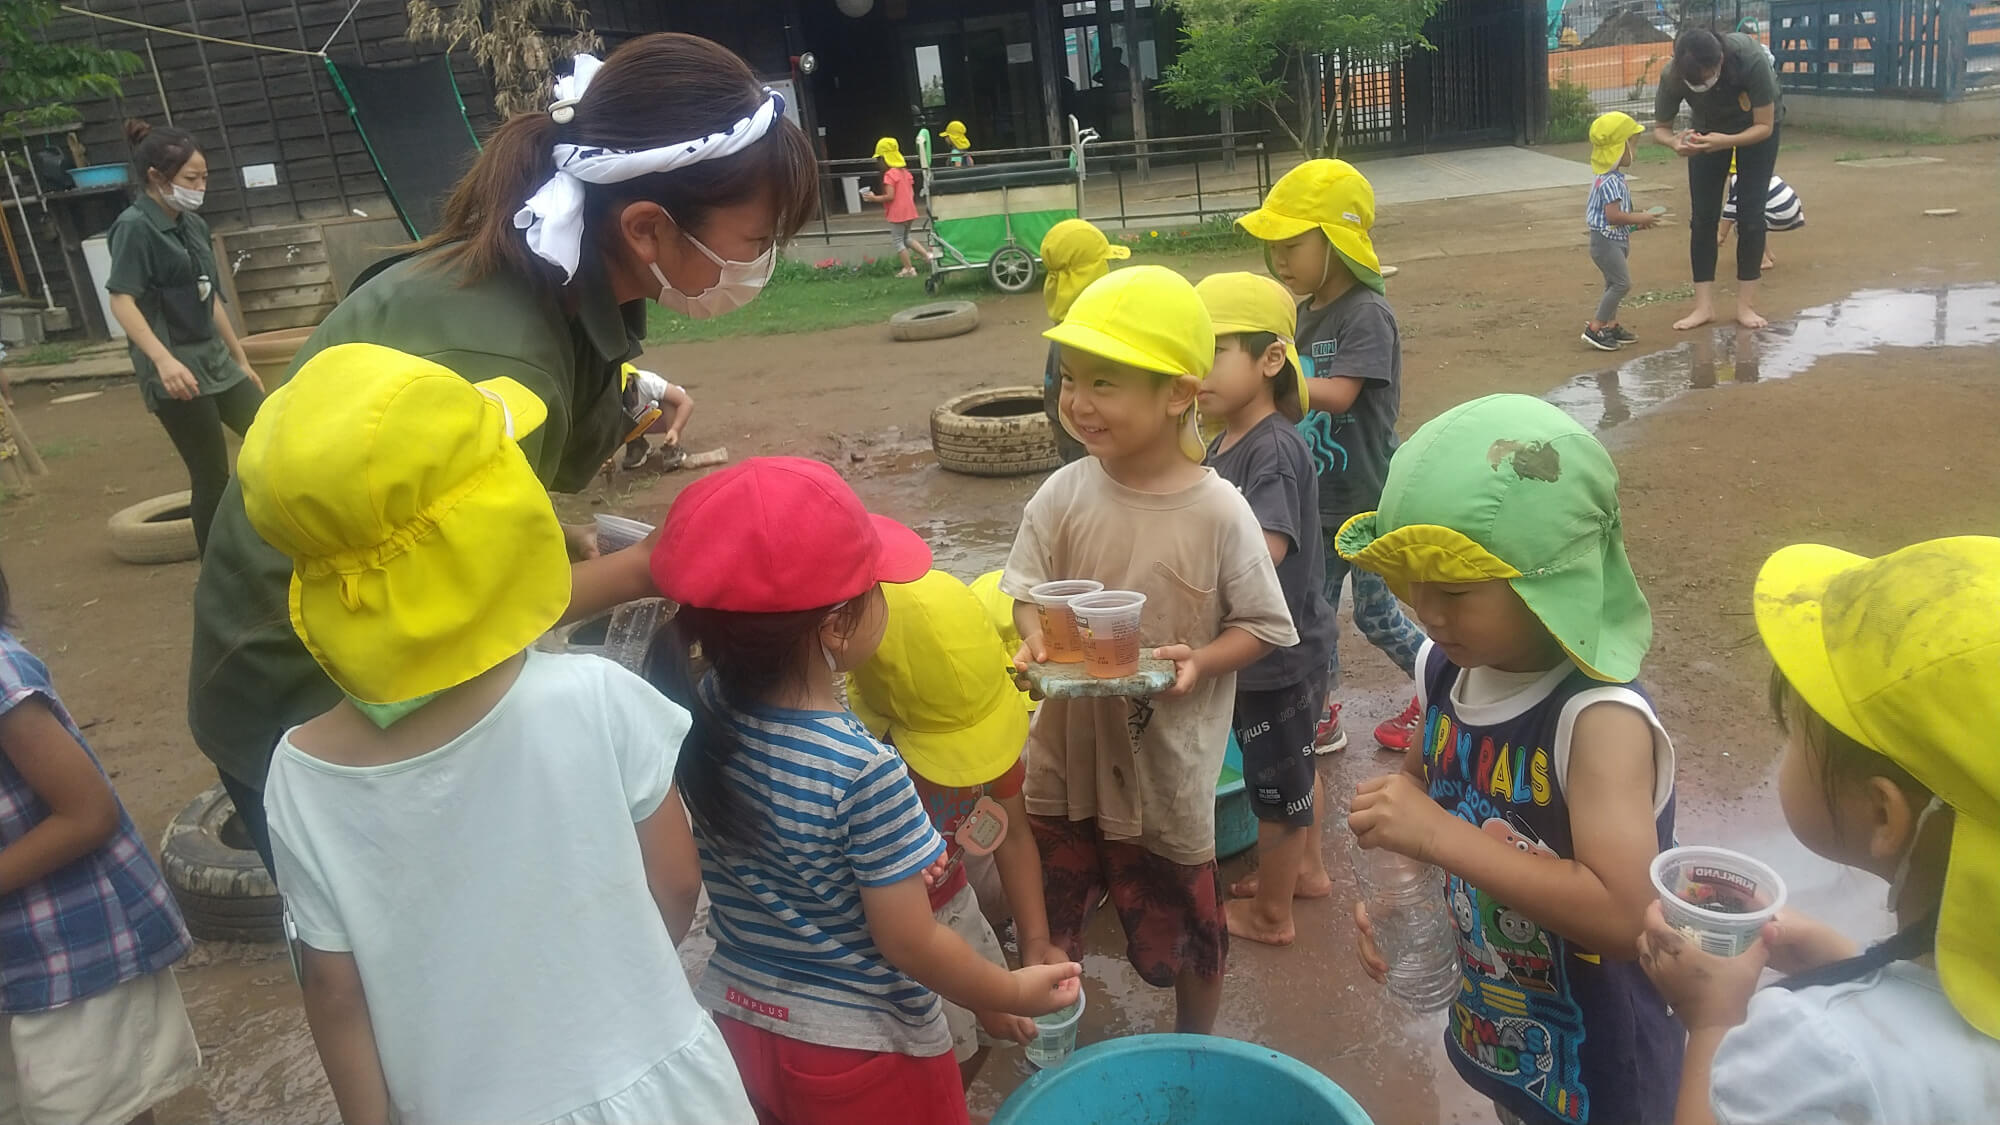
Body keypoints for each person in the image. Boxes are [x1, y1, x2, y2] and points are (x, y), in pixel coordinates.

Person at [186, 33, 818, 876]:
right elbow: (456, 610)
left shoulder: (547, 274)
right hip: (309, 683)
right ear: (646, 227)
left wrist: (583, 492)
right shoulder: (502, 360)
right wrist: (651, 568)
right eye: (756, 236)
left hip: (367, 632)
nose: (763, 259)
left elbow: (468, 490)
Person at [243, 344, 751, 1125]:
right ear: (500, 528)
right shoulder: (596, 696)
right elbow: (677, 883)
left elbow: (333, 989)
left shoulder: (300, 773)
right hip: (654, 1085)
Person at [642, 457, 1082, 1125]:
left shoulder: (699, 709)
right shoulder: (863, 768)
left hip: (741, 1022)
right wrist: (1004, 987)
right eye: (877, 585)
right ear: (838, 625)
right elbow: (911, 941)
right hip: (859, 1054)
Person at [1341, 394, 1682, 1125]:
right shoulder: (1442, 668)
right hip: (1505, 1021)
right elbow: (1428, 785)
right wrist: (1406, 894)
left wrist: (1437, 837)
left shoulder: (1597, 719)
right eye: (1409, 581)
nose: (1426, 612)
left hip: (1601, 1059)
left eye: (1457, 589)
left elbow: (1629, 916)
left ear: (1550, 578)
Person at [1002, 265, 1299, 1035]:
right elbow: (1026, 589)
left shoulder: (1219, 510)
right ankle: (1052, 1035)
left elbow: (1262, 624)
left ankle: (1194, 1048)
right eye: (1071, 380)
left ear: (1177, 393)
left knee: (1188, 925)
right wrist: (1035, 639)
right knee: (1051, 910)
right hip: (1065, 763)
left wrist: (1201, 661)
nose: (1078, 402)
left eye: (1104, 382)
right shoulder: (1064, 493)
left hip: (1166, 768)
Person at [1638, 535, 2000, 1125]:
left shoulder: (1816, 1054)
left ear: (1882, 814)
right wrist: (1844, 958)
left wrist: (1711, 1020)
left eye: (1796, 735)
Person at [0, 558, 201, 1124]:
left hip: (78, 954)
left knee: (100, 1110)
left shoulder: (4, 681)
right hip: (17, 961)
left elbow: (88, 814)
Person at [1237, 159, 1426, 756]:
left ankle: (1446, 683)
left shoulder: (1366, 313)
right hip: (1316, 500)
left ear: (1336, 241)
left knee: (1375, 617)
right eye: (1274, 249)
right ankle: (1322, 712)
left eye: (1292, 245)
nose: (1280, 261)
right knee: (1314, 613)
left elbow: (1340, 393)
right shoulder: (1307, 310)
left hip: (1363, 500)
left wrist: (1267, 379)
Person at [846, 569, 1049, 1088]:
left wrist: (1036, 940)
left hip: (955, 904)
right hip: (891, 935)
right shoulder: (861, 769)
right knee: (927, 1057)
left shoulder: (993, 737)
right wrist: (986, 994)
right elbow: (899, 932)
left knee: (978, 1042)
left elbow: (1016, 835)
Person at [1192, 272, 1338, 948]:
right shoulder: (1228, 442)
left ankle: (1273, 914)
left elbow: (1268, 547)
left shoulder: (1271, 447)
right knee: (1292, 764)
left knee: (1275, 786)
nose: (1198, 370)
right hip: (1284, 648)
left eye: (1215, 350)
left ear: (1271, 359)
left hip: (1275, 655)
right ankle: (1304, 870)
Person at [105, 118, 265, 553]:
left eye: (205, 176)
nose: (200, 185)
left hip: (213, 358)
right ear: (157, 177)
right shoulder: (135, 227)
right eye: (191, 178)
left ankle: (275, 530)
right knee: (211, 471)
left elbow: (209, 297)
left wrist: (241, 358)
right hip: (174, 366)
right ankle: (218, 568)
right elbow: (122, 300)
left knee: (273, 429)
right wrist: (163, 360)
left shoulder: (192, 225)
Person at [1652, 27, 1786, 331]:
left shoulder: (1750, 58)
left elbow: (1764, 125)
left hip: (1757, 132)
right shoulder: (1673, 74)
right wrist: (1674, 142)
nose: (1702, 85)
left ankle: (1745, 307)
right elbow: (1660, 128)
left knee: (1750, 215)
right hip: (1706, 132)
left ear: (1721, 59)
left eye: (1707, 76)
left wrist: (1725, 142)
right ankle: (1704, 307)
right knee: (1702, 218)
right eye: (1694, 82)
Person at [1037, 219, 1129, 465]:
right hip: (1089, 433)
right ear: (1089, 271)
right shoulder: (1093, 327)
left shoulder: (1065, 316)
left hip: (1066, 423)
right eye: (1104, 263)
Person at [1583, 112, 1662, 352]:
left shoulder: (1612, 178)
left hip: (1613, 240)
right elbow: (1613, 216)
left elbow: (1617, 219)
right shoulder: (1610, 181)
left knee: (1613, 283)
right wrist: (1640, 217)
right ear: (1620, 148)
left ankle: (1611, 324)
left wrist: (1637, 224)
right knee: (1621, 283)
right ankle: (1595, 328)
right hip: (1606, 242)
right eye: (1633, 144)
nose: (1635, 151)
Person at [1718, 150, 1804, 272]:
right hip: (1792, 209)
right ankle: (1768, 254)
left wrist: (1721, 235)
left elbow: (1730, 212)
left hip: (1780, 212)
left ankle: (1762, 260)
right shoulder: (1762, 170)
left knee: (1743, 224)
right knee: (1755, 217)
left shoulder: (1738, 178)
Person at [862, 138, 933, 278]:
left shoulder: (889, 175)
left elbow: (890, 196)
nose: (878, 163)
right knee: (907, 238)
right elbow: (911, 192)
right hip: (910, 211)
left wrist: (873, 198)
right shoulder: (905, 172)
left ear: (884, 158)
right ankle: (927, 256)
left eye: (879, 159)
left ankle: (908, 268)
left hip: (897, 213)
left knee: (898, 241)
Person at [616, 362, 695, 470]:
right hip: (637, 422)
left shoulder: (647, 382)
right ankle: (637, 444)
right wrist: (606, 457)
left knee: (669, 400)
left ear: (630, 380)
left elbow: (687, 402)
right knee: (616, 417)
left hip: (659, 417)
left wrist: (675, 430)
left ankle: (672, 446)